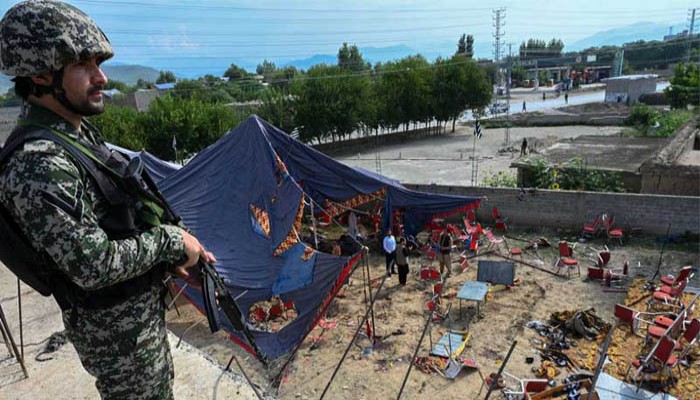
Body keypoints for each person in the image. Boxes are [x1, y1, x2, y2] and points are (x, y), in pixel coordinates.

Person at [0, 2, 215, 398]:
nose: (101, 77)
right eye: (83, 64)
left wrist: (167, 250)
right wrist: (170, 242)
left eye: (98, 62)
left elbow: (115, 213)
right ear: (41, 73)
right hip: (118, 342)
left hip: (137, 322)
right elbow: (92, 265)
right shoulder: (39, 164)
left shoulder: (74, 136)